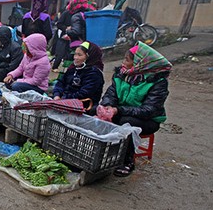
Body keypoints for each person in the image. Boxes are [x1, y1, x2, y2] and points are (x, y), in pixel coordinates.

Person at [99, 43, 171, 177]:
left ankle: (127, 161)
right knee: (93, 112)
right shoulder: (122, 74)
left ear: (139, 63)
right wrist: (107, 106)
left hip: (147, 120)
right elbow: (111, 93)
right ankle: (101, 153)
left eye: (127, 60)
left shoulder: (157, 81)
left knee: (127, 122)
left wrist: (118, 110)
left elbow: (148, 110)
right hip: (121, 112)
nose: (123, 63)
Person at [52, 41, 105, 110]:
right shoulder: (73, 68)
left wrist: (63, 99)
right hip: (64, 102)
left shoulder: (94, 73)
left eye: (79, 55)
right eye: (75, 54)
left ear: (89, 57)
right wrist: (57, 95)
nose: (75, 58)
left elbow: (84, 94)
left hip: (82, 107)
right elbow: (61, 82)